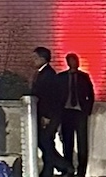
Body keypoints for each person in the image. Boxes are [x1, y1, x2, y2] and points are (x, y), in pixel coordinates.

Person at [31, 47, 74, 177]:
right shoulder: (42, 73)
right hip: (45, 114)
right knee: (46, 142)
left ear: (42, 58)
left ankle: (64, 166)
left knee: (45, 141)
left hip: (49, 115)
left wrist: (47, 116)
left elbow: (51, 97)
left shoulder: (48, 75)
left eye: (35, 58)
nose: (33, 61)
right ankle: (51, 169)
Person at [58, 53, 94, 177]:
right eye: (72, 61)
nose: (74, 63)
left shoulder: (84, 77)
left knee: (82, 142)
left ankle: (81, 170)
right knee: (67, 142)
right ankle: (68, 168)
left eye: (76, 61)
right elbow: (56, 96)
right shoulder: (61, 77)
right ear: (68, 62)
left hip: (80, 112)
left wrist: (87, 110)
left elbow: (91, 94)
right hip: (66, 112)